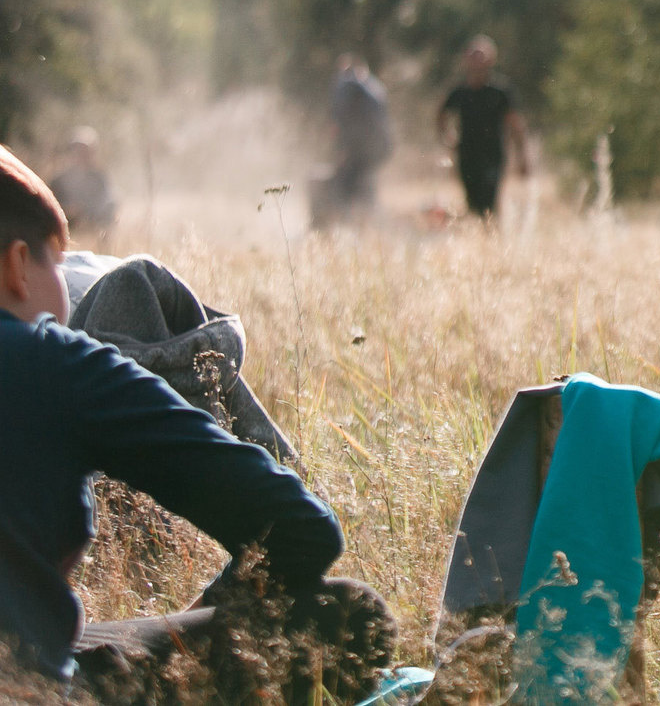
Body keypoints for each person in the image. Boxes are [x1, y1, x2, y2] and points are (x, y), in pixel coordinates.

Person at [0, 147, 393, 696]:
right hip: (27, 685)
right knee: (346, 614)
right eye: (59, 262)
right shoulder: (54, 363)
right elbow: (298, 529)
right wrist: (201, 620)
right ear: (17, 265)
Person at [437, 37, 530, 221]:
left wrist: (522, 156)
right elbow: (441, 116)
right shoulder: (459, 92)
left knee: (488, 201)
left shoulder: (500, 92)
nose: (477, 62)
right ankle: (479, 234)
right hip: (467, 155)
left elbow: (515, 124)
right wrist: (448, 140)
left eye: (481, 57)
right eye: (474, 57)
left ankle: (491, 234)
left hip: (492, 155)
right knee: (472, 203)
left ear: (491, 60)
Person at [314, 55, 391, 229]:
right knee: (365, 181)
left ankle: (344, 224)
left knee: (347, 182)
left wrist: (342, 146)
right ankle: (371, 224)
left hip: (358, 146)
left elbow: (341, 117)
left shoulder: (347, 84)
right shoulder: (374, 85)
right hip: (380, 146)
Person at [44, 130, 115, 239]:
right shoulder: (58, 179)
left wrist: (87, 212)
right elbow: (48, 204)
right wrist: (67, 209)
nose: (81, 155)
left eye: (85, 151)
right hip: (67, 228)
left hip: (93, 226)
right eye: (77, 150)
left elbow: (106, 201)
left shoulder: (99, 178)